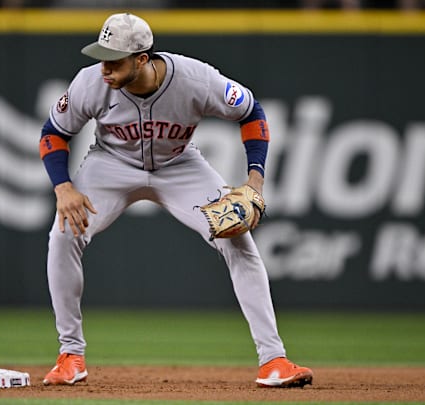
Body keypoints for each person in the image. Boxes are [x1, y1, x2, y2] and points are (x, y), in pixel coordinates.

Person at [38, 12, 313, 388]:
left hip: (179, 164)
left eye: (115, 60)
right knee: (63, 234)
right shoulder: (90, 83)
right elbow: (53, 134)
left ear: (142, 59)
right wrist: (63, 187)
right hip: (110, 165)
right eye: (102, 57)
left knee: (238, 241)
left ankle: (273, 361)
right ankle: (70, 355)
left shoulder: (197, 80)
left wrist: (255, 181)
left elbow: (251, 113)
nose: (105, 68)